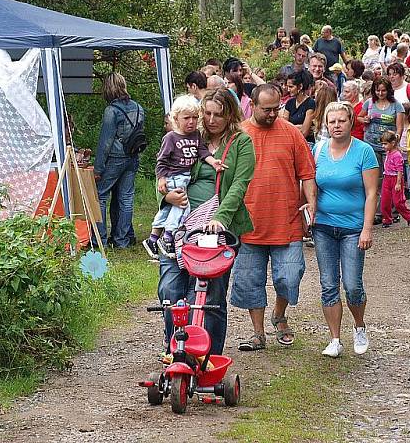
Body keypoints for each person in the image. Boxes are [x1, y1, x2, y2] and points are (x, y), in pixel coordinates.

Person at [158, 88, 255, 355]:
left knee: (208, 295)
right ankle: (175, 348)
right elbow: (166, 172)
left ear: (230, 116)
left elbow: (239, 185)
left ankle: (207, 356)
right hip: (179, 224)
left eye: (218, 115)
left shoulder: (241, 143)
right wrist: (166, 196)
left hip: (216, 228)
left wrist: (220, 218)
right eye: (207, 114)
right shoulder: (188, 136)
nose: (211, 120)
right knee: (170, 289)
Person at [232, 85, 317, 351]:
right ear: (253, 106)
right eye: (266, 109)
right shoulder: (239, 135)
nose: (271, 114)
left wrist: (312, 204)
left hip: (287, 220)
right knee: (249, 280)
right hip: (249, 223)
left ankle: (279, 314)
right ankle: (258, 333)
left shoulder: (291, 133)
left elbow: (307, 174)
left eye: (276, 109)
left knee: (290, 276)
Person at [312, 102, 379, 357]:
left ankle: (359, 326)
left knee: (352, 284)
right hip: (324, 226)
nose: (337, 126)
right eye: (332, 121)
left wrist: (367, 228)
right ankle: (335, 338)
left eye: (341, 120)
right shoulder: (318, 150)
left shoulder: (363, 152)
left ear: (351, 122)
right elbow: (311, 185)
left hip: (352, 228)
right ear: (326, 124)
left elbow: (372, 193)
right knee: (328, 284)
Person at [143, 95, 227, 258]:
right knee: (182, 206)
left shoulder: (196, 135)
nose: (191, 122)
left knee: (170, 208)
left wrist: (213, 162)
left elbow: (202, 152)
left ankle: (153, 238)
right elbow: (161, 160)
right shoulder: (171, 138)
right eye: (186, 118)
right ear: (176, 119)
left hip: (185, 177)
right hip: (174, 176)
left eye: (195, 118)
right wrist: (161, 178)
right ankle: (168, 236)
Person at [94, 73, 143, 249]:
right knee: (126, 198)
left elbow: (105, 143)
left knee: (100, 196)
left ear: (108, 89)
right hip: (132, 158)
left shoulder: (111, 111)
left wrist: (98, 169)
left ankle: (100, 240)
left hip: (115, 159)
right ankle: (122, 240)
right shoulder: (138, 108)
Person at [357, 76, 404, 169]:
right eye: (377, 90)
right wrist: (365, 120)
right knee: (374, 172)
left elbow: (400, 127)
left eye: (383, 90)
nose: (380, 93)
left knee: (390, 172)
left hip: (388, 146)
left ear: (388, 90)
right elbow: (359, 117)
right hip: (371, 144)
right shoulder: (369, 102)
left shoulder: (397, 105)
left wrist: (395, 141)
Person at [378, 130, 410, 228]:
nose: (383, 146)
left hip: (395, 179)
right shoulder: (388, 153)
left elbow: (400, 170)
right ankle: (387, 219)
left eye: (385, 144)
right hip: (387, 178)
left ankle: (409, 216)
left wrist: (398, 183)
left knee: (398, 202)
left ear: (393, 143)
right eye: (382, 144)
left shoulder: (397, 155)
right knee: (385, 201)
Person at [281, 69, 316, 143]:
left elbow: (304, 132)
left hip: (305, 143)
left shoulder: (310, 103)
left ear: (300, 87)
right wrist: (298, 127)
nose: (288, 89)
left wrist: (290, 127)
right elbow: (283, 126)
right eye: (287, 87)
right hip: (290, 141)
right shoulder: (290, 103)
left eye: (291, 87)